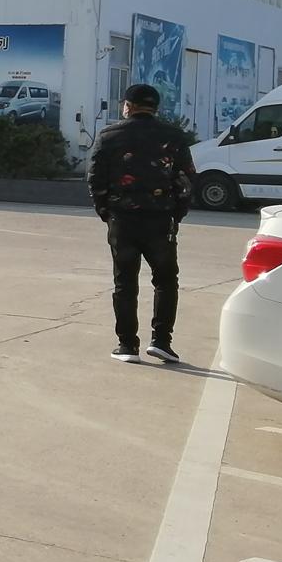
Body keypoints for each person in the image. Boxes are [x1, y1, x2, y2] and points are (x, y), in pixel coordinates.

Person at [89, 82, 196, 364]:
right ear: (155, 108)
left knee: (124, 282)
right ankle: (161, 342)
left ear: (128, 106)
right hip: (160, 220)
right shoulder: (174, 137)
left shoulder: (109, 136)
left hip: (122, 220)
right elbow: (186, 180)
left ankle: (127, 345)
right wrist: (176, 214)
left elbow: (96, 178)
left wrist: (106, 212)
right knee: (166, 280)